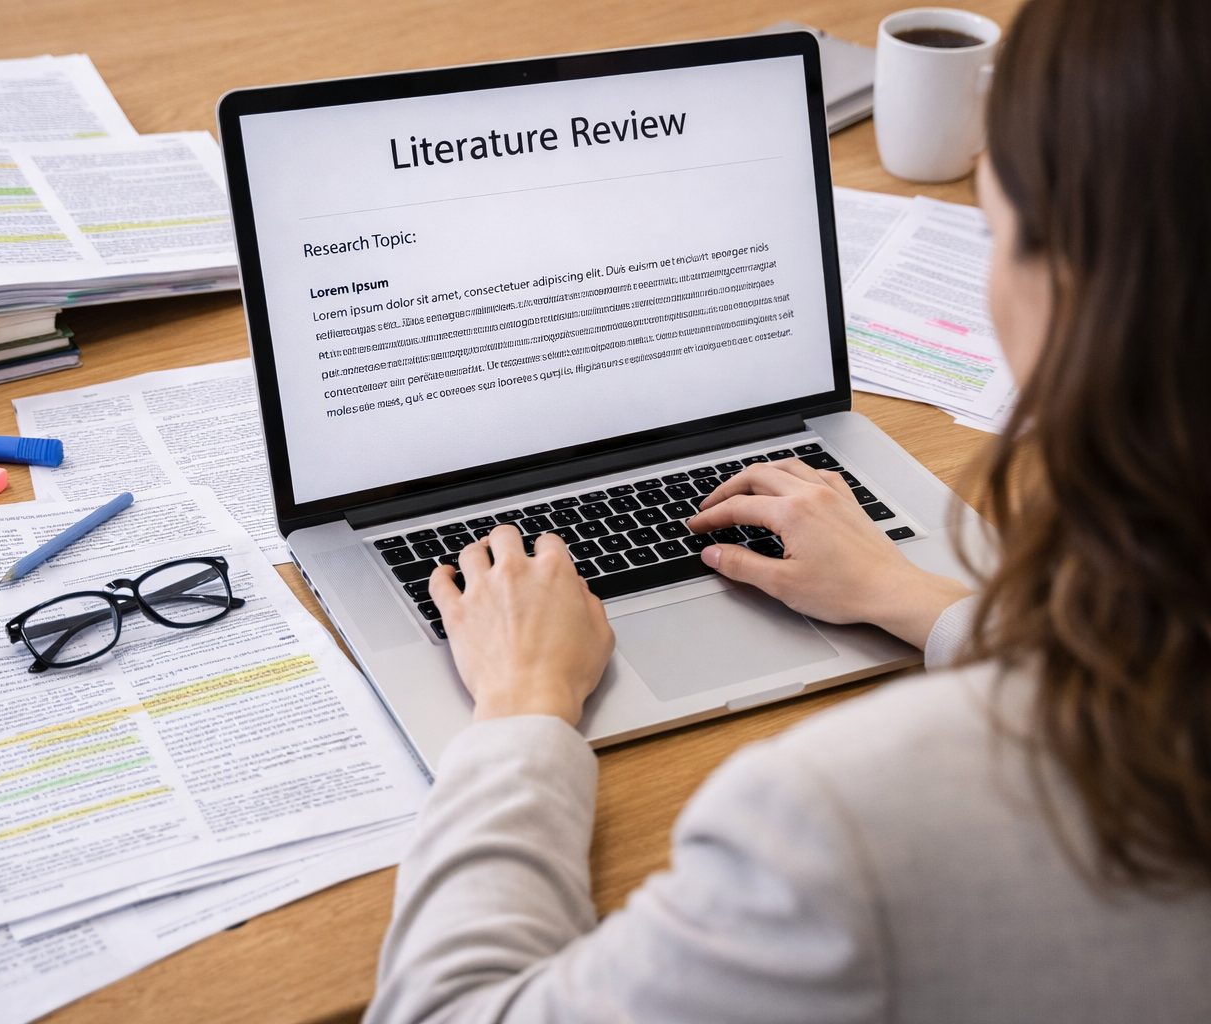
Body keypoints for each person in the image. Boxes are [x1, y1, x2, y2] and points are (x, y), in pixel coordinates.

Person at [363, 0, 1211, 1020]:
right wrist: (928, 603)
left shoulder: (838, 825)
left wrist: (522, 708)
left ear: (1075, 289)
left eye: (996, 224)